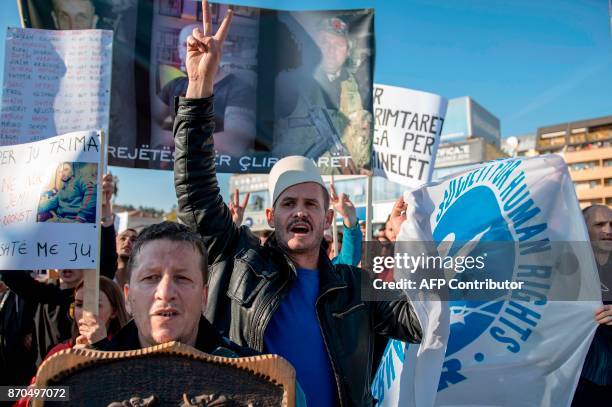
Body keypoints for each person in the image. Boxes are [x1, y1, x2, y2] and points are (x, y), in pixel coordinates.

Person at [173, 3, 422, 405]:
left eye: (311, 203)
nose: (300, 211)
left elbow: (422, 320)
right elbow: (196, 189)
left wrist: (406, 237)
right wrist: (200, 88)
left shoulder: (355, 287)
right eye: (289, 203)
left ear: (327, 218)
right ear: (271, 216)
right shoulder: (241, 261)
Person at [0, 174, 118, 365]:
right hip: (43, 384)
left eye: (71, 255)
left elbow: (107, 264)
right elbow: (11, 275)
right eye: (59, 255)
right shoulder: (44, 295)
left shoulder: (92, 295)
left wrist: (104, 213)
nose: (66, 263)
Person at [90, 221, 253, 358]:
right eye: (150, 278)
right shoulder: (83, 380)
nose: (165, 293)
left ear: (204, 297)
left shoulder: (257, 377)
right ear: (128, 296)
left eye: (182, 278)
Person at [273, 16, 372, 173]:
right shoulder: (289, 82)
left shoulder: (360, 88)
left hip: (345, 182)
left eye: (338, 44)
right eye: (324, 42)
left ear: (347, 51)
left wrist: (362, 169)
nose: (330, 50)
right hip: (297, 178)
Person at [153, 23, 256, 155]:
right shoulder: (174, 85)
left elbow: (234, 142)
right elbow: (146, 119)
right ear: (179, 52)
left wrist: (172, 139)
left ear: (216, 49)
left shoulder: (239, 88)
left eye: (202, 44)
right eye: (187, 45)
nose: (195, 50)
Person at [573, 205, 612, 404]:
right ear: (583, 228)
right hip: (579, 381)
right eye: (599, 224)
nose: (608, 230)